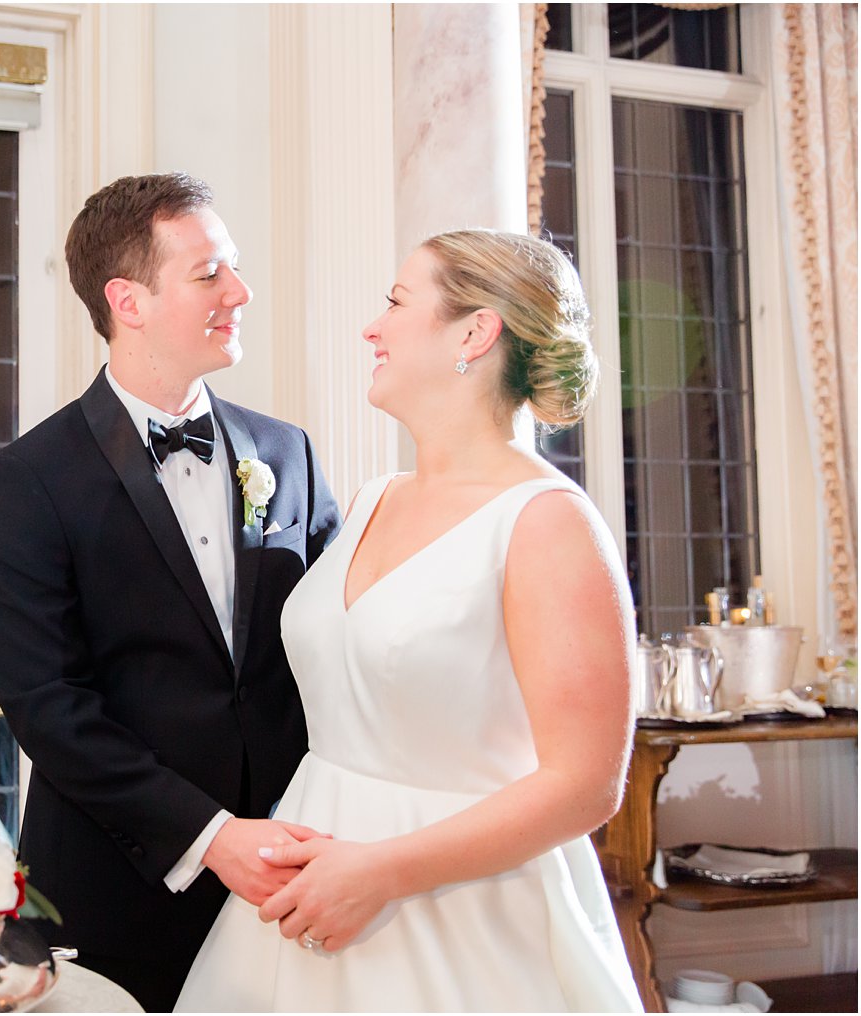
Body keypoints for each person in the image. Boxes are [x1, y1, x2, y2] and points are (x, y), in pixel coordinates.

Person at [175, 230, 642, 1011]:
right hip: (302, 888)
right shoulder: (369, 501)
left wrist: (382, 873)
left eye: (395, 302)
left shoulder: (547, 523)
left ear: (473, 332)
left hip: (459, 912)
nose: (373, 327)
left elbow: (586, 784)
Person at [0, 173, 343, 1012]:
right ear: (127, 300)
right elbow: (45, 703)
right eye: (209, 273)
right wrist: (211, 838)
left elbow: (332, 647)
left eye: (235, 268)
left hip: (292, 878)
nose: (240, 292)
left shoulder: (289, 454)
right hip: (120, 885)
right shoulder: (34, 477)